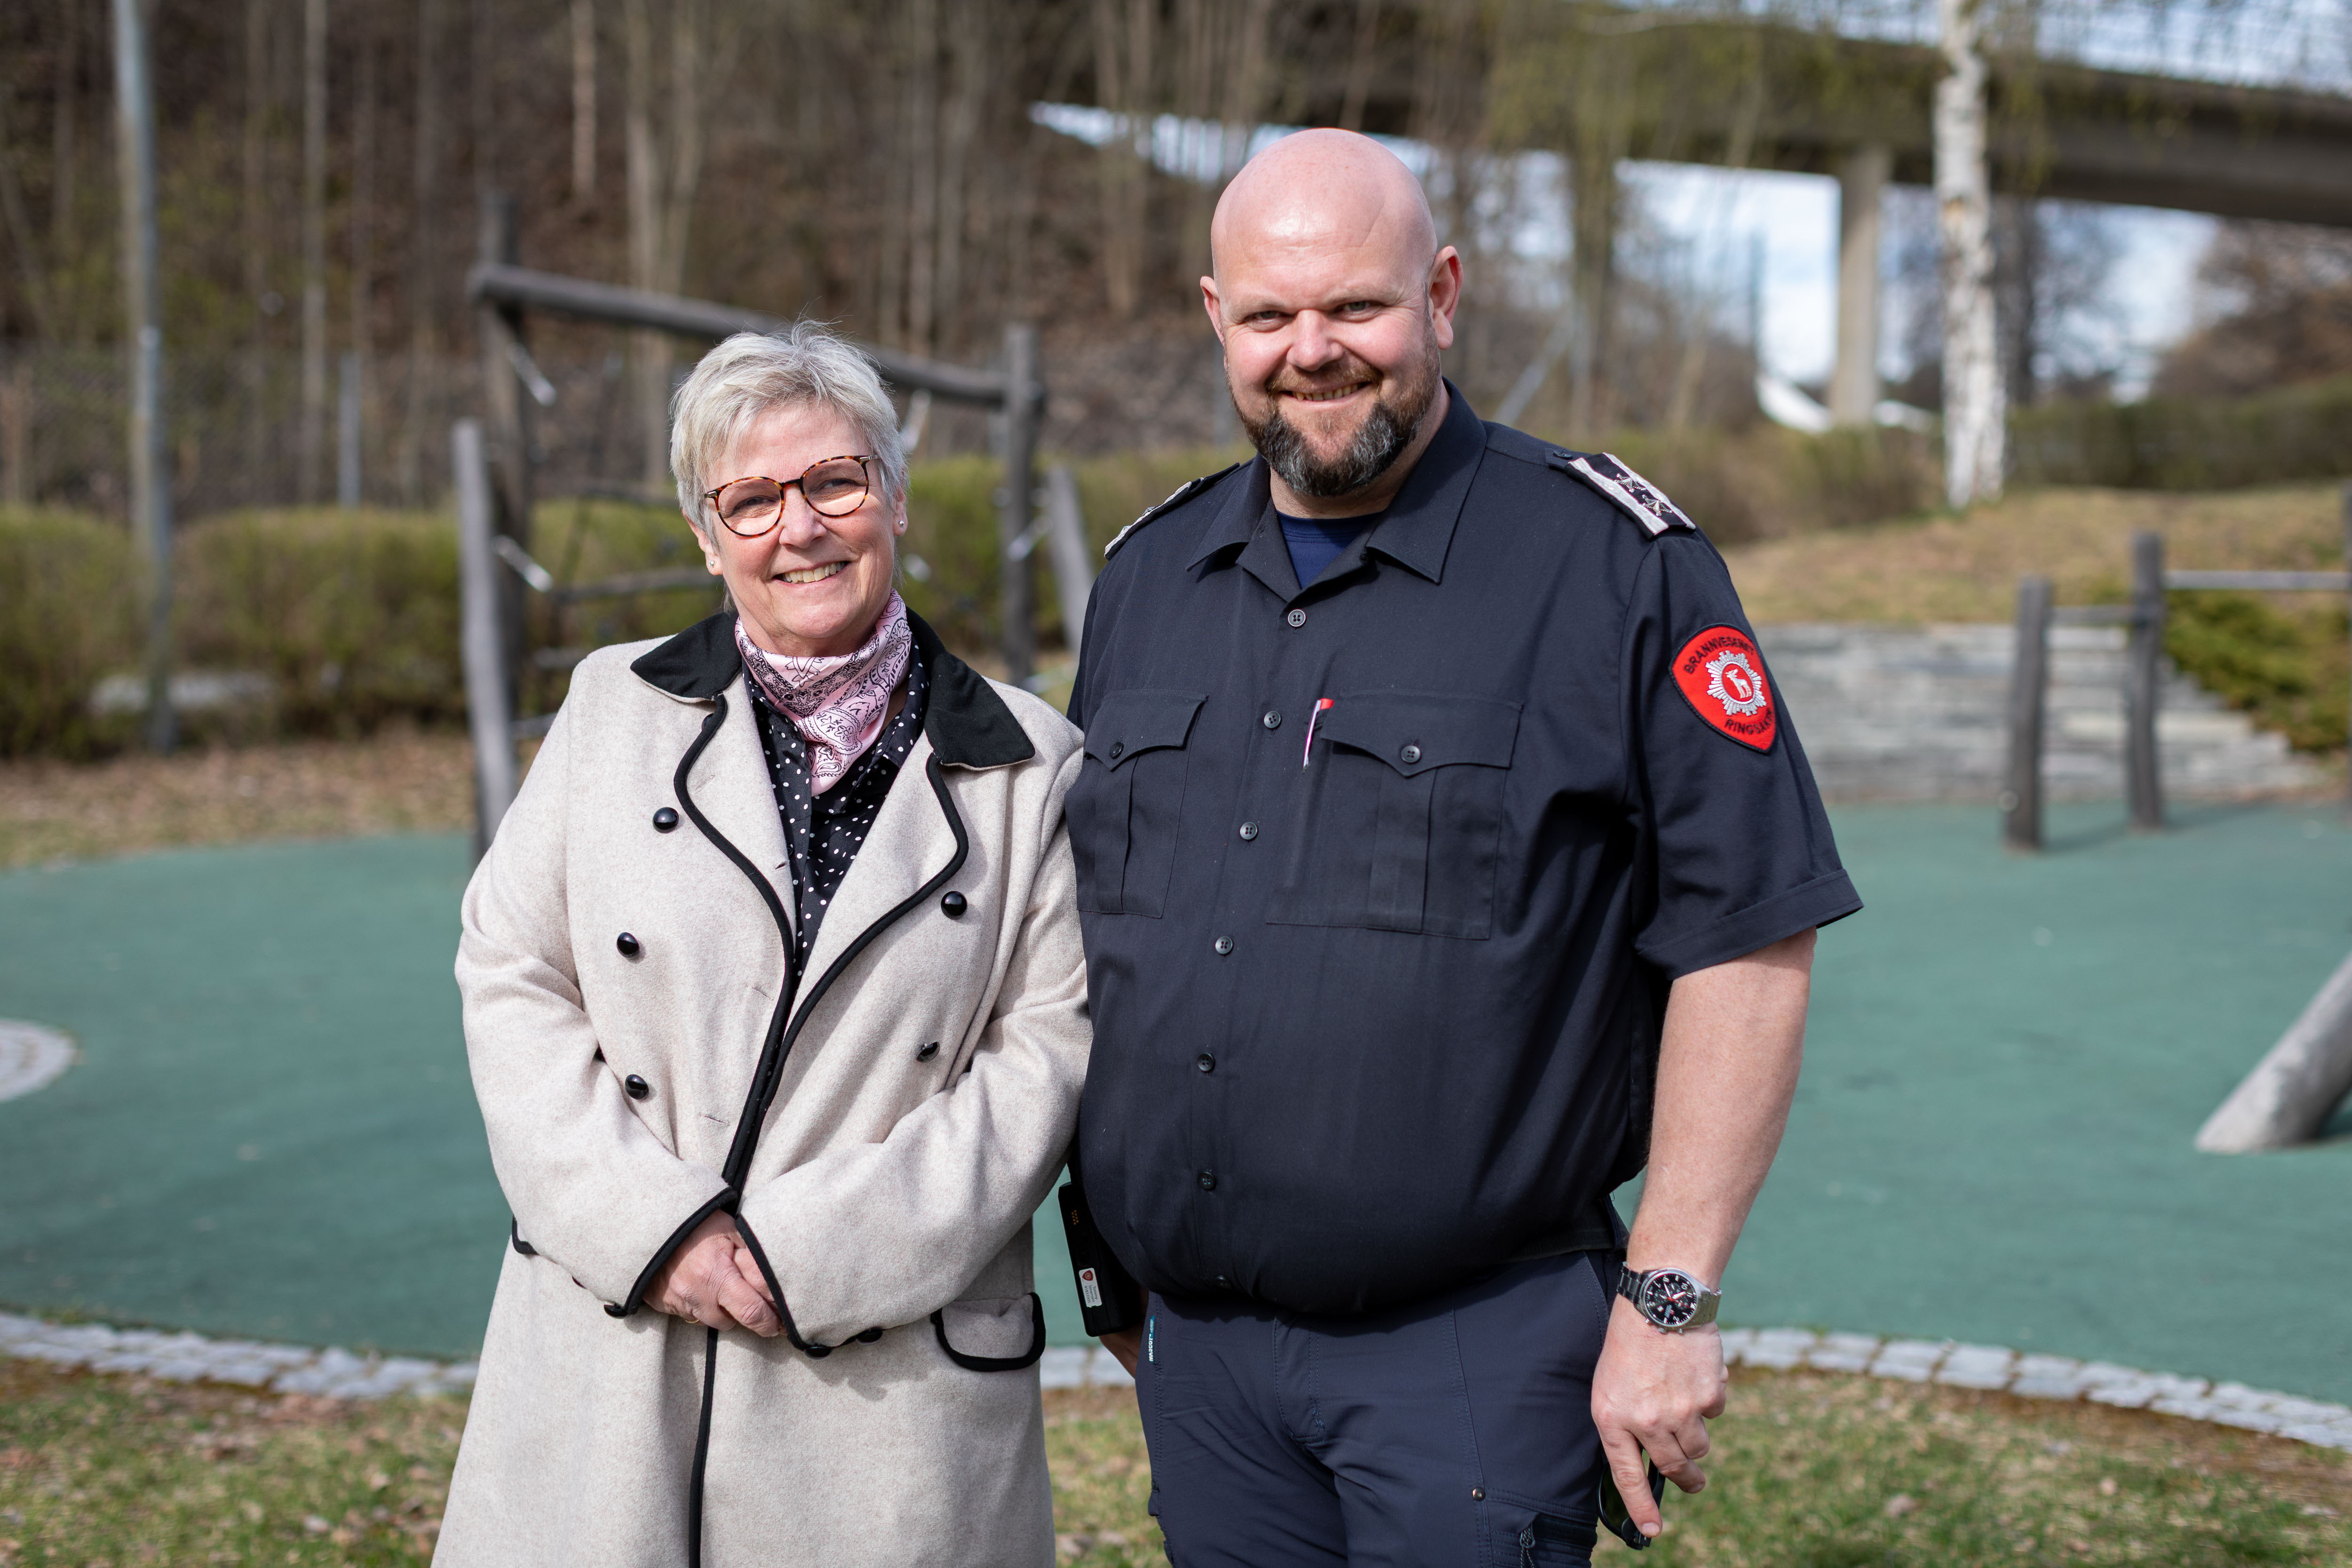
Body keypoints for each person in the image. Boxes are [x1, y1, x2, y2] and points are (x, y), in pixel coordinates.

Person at [1061, 129, 1860, 1566]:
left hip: (1470, 1361)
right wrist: (1104, 1268)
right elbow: (1093, 949)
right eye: (1268, 316)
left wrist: (1670, 1299)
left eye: (1356, 307)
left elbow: (1748, 939)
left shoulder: (1617, 565)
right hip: (1206, 1367)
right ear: (1215, 320)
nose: (1313, 352)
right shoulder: (1146, 579)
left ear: (1441, 292)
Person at [437, 324, 1090, 1567]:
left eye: (834, 482)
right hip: (614, 1360)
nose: (801, 528)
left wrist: (806, 1257)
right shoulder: (610, 709)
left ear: (892, 497)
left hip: (884, 1389)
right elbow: (508, 971)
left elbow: (1041, 1062)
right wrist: (654, 1229)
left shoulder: (1030, 766)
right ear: (705, 534)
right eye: (752, 500)